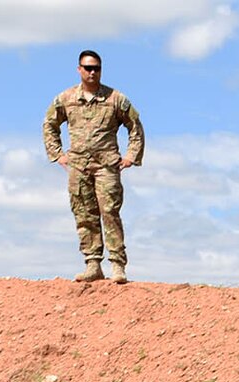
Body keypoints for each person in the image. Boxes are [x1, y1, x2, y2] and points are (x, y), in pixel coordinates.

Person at [43, 48, 144, 285]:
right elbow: (49, 124)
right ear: (79, 70)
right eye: (87, 68)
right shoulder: (66, 99)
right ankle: (92, 263)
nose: (92, 72)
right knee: (84, 214)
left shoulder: (115, 99)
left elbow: (135, 126)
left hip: (107, 165)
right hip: (78, 165)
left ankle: (117, 265)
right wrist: (58, 154)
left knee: (109, 212)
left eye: (96, 68)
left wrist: (131, 155)